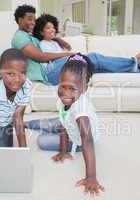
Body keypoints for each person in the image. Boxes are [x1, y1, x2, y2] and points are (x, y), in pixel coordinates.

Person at [11, 5, 140, 86]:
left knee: (93, 64)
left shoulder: (28, 36)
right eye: (29, 19)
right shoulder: (19, 37)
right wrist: (66, 54)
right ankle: (136, 62)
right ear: (19, 19)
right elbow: (40, 56)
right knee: (93, 59)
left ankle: (139, 68)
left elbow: (44, 37)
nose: (32, 22)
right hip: (49, 74)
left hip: (52, 70)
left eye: (33, 20)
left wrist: (58, 40)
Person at [26, 54, 105, 195]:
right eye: (63, 86)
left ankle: (39, 128)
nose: (65, 93)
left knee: (42, 140)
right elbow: (64, 125)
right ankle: (26, 124)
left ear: (84, 89)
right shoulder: (63, 100)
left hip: (80, 141)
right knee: (47, 123)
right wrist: (63, 151)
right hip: (69, 124)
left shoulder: (82, 112)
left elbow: (87, 140)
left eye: (72, 89)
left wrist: (91, 177)